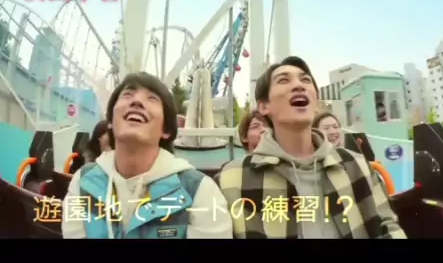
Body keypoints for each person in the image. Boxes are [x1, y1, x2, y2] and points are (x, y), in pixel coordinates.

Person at [217, 56, 406, 239]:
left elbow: (388, 225)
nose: (299, 85)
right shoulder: (232, 179)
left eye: (306, 80)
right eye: (283, 80)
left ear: (315, 102)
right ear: (264, 107)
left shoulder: (357, 164)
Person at [62, 71, 233, 239]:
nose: (136, 101)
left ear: (166, 130)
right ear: (111, 122)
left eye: (152, 98)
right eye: (127, 95)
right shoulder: (83, 182)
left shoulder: (199, 191)